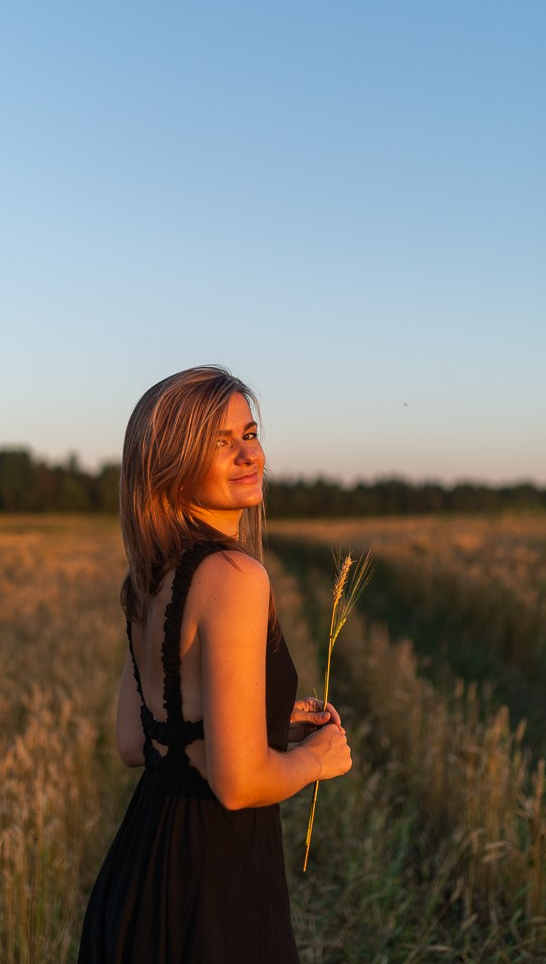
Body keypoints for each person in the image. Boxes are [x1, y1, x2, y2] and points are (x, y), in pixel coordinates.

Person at [78, 365, 352, 963]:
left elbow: (135, 740)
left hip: (138, 870)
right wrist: (315, 759)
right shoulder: (234, 577)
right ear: (170, 466)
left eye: (249, 434)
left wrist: (265, 721)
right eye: (219, 442)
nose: (247, 455)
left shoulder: (150, 575)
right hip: (213, 886)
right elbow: (236, 784)